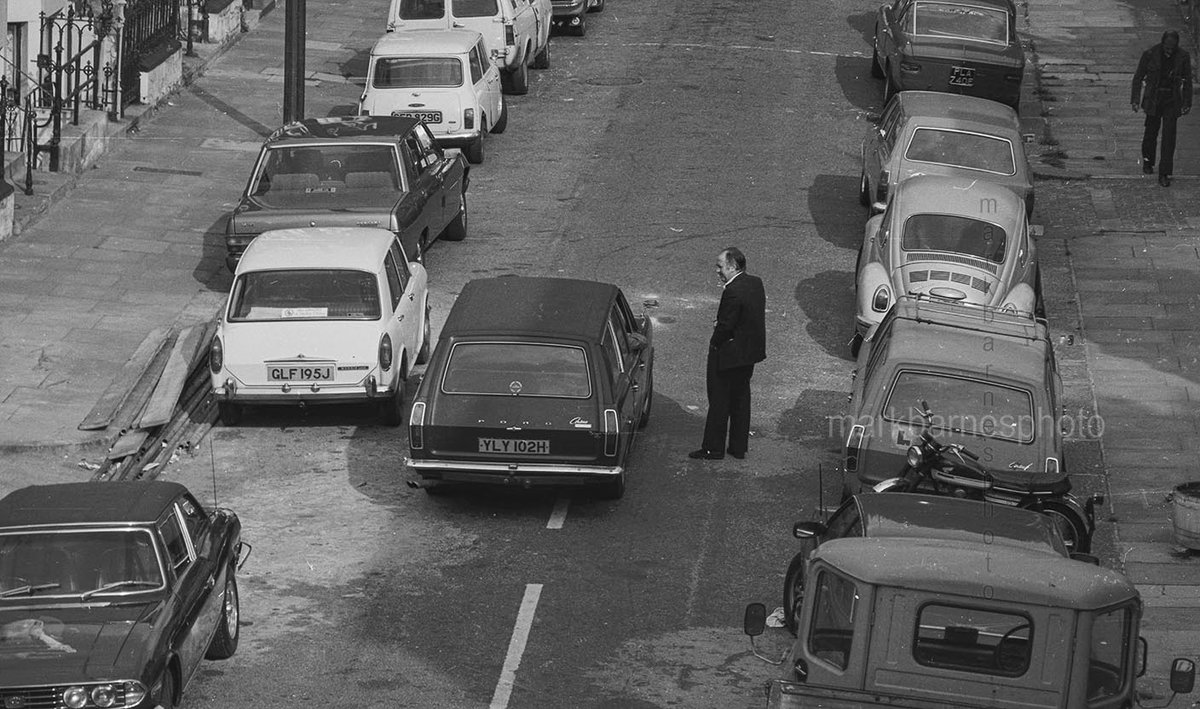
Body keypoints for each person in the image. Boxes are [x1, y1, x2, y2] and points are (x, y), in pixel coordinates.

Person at [689, 248, 767, 460]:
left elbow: (726, 325)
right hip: (749, 354)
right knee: (741, 399)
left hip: (729, 355)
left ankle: (713, 448)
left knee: (719, 400)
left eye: (720, 266)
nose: (718, 271)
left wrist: (714, 342)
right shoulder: (755, 283)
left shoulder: (732, 291)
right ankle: (738, 446)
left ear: (732, 267)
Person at [1131, 30, 1193, 187]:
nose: (1169, 51)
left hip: (1171, 99)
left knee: (1169, 136)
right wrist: (1135, 100)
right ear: (1162, 44)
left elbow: (1187, 82)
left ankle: (1164, 172)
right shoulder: (1150, 54)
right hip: (1154, 98)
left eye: (1172, 49)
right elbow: (1138, 77)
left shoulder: (1183, 56)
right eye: (1167, 48)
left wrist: (1187, 102)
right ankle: (1148, 161)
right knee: (1151, 132)